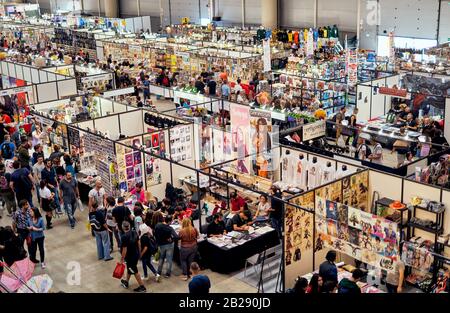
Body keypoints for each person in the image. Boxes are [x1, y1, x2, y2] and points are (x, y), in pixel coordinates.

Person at [120, 221, 146, 292]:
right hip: (136, 255)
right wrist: (140, 253)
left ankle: (142, 286)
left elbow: (124, 250)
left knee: (134, 271)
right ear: (129, 226)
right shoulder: (134, 232)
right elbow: (139, 244)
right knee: (130, 269)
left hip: (130, 257)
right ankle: (126, 282)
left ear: (123, 227)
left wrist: (122, 259)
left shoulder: (124, 237)